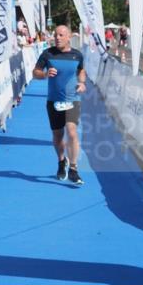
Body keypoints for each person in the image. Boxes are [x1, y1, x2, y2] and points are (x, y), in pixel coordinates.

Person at [33, 24, 86, 185]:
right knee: (58, 136)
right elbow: (35, 73)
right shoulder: (47, 54)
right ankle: (62, 161)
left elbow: (81, 71)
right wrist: (44, 74)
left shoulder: (77, 55)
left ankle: (74, 169)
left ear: (69, 37)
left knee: (72, 132)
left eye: (61, 35)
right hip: (54, 101)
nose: (57, 38)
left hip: (72, 100)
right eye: (56, 35)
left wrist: (82, 83)